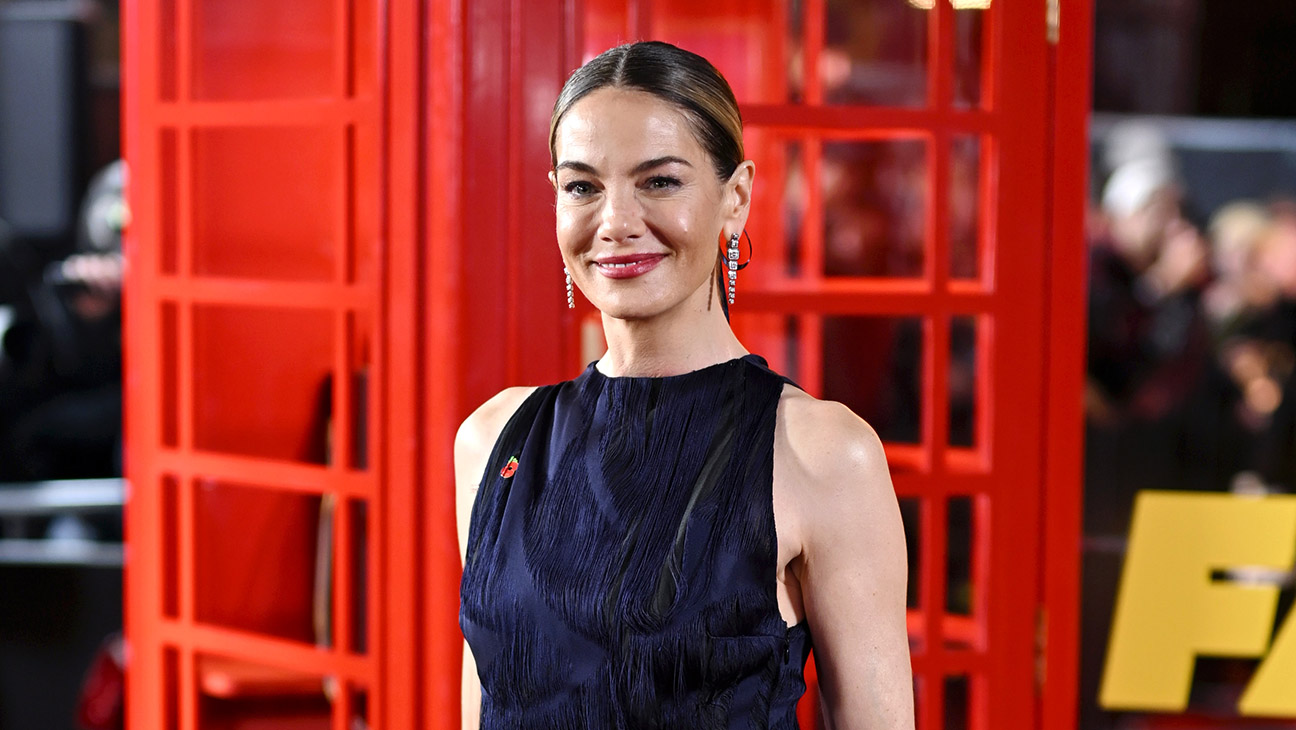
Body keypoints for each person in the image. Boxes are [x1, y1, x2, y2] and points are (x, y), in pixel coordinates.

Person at [455, 41, 912, 729]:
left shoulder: (820, 452)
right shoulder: (492, 439)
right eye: (582, 187)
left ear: (736, 198)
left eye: (660, 182)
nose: (615, 222)